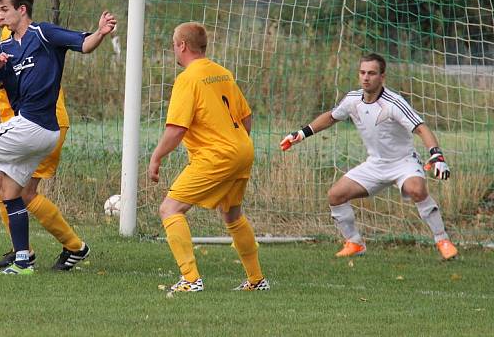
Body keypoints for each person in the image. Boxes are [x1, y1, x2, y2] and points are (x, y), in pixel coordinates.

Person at [0, 0, 116, 274]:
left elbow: (83, 44)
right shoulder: (4, 47)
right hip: (38, 131)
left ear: (21, 9)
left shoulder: (42, 33)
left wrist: (100, 33)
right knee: (7, 189)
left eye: (3, 8)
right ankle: (22, 260)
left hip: (35, 125)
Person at [280, 53, 458, 260]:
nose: (366, 77)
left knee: (416, 189)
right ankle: (354, 243)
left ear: (382, 77)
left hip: (404, 163)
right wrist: (300, 134)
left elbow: (421, 128)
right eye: (363, 72)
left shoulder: (394, 103)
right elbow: (331, 117)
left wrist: (437, 156)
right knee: (335, 195)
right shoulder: (353, 99)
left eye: (372, 73)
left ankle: (442, 240)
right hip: (375, 164)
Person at [148, 22, 269, 293]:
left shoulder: (188, 79)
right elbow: (246, 118)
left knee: (170, 209)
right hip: (242, 150)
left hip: (217, 155)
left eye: (173, 45)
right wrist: (234, 143)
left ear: (182, 46)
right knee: (232, 215)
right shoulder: (222, 73)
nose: (174, 51)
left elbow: (176, 129)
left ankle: (191, 279)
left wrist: (156, 157)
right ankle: (256, 279)